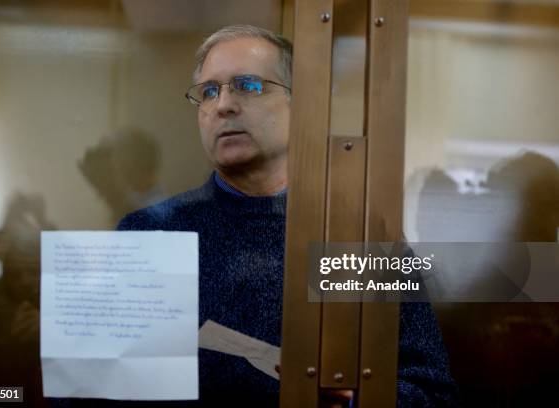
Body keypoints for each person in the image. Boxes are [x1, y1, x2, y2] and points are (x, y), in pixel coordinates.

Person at [118, 25, 459, 407]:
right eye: (209, 91)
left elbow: (432, 393)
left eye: (247, 85)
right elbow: (97, 389)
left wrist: (348, 400)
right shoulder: (149, 233)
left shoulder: (357, 243)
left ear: (302, 106)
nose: (222, 105)